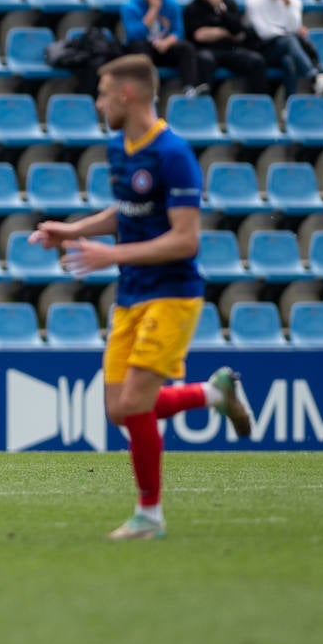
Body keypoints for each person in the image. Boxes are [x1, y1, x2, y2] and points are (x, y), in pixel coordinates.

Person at [28, 54, 253, 540]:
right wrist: (71, 231)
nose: (98, 102)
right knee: (117, 409)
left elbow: (186, 239)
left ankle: (149, 516)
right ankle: (215, 393)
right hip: (132, 293)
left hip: (173, 294)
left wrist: (112, 256)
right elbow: (126, 210)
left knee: (134, 403)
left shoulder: (172, 154)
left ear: (127, 95)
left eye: (103, 93)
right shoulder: (119, 147)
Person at [121, 0, 208, 96]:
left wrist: (167, 42)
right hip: (142, 48)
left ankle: (189, 87)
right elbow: (134, 34)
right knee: (139, 46)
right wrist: (153, 9)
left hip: (163, 47)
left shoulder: (171, 4)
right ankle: (149, 89)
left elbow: (178, 31)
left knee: (186, 48)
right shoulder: (130, 5)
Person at [184, 0, 267, 94]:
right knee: (205, 60)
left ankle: (258, 101)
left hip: (230, 49)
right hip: (206, 50)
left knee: (256, 61)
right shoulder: (194, 7)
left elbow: (238, 31)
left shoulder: (229, 4)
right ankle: (205, 100)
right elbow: (199, 35)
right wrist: (223, 32)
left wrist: (221, 8)